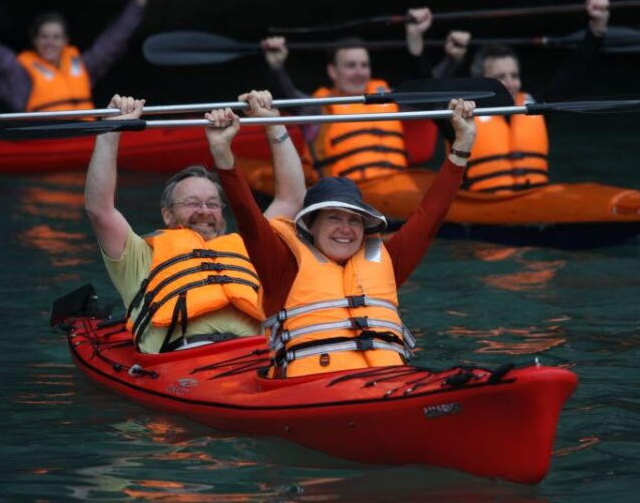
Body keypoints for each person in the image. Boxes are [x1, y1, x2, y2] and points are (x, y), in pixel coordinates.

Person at [204, 91, 476, 378]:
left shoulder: (387, 262)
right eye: (334, 218)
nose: (346, 228)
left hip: (388, 383)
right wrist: (223, 153)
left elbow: (430, 216)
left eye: (354, 220)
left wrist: (462, 145)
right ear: (312, 226)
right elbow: (248, 218)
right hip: (308, 389)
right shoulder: (281, 267)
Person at [84, 92, 306, 354]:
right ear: (167, 214)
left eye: (212, 204)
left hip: (255, 355)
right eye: (192, 203)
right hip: (186, 358)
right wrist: (111, 131)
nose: (204, 211)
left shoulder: (251, 247)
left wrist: (273, 123)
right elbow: (100, 209)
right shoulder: (140, 255)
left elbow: (292, 199)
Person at [260, 9, 462, 182]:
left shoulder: (386, 97)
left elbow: (425, 92)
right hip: (349, 197)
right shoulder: (318, 107)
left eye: (364, 65)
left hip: (395, 194)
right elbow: (288, 97)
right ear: (333, 71)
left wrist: (451, 59)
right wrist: (277, 67)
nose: (359, 72)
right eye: (350, 65)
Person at [433, 0, 610, 193]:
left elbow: (573, 74)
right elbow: (429, 95)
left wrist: (596, 29)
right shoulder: (461, 120)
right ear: (481, 82)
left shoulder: (534, 107)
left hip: (533, 202)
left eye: (514, 75)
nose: (510, 83)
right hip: (484, 207)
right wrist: (452, 60)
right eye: (501, 77)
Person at [0, 0, 151, 112]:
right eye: (44, 36)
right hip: (46, 136)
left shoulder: (81, 65)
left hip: (84, 134)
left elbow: (113, 41)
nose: (50, 42)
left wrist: (140, 0)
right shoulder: (18, 71)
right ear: (34, 40)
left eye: (56, 37)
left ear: (65, 41)